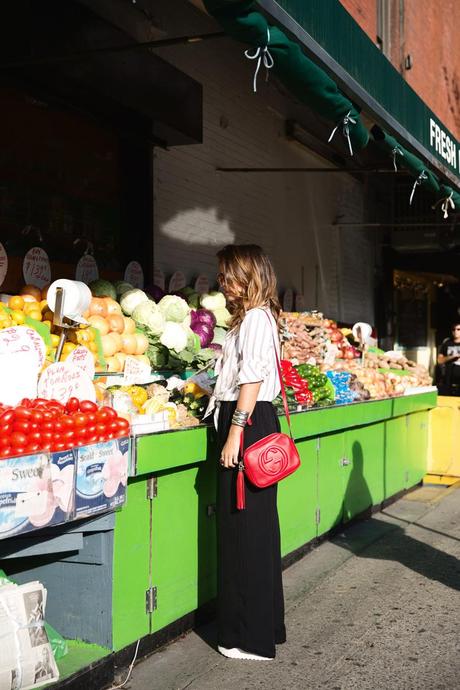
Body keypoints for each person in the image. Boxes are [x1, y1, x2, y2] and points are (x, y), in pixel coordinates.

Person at [205, 244, 286, 661]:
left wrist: (235, 433)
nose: (224, 284)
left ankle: (248, 638)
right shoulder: (257, 318)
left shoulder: (255, 318)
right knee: (256, 529)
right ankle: (264, 627)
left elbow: (251, 379)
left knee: (243, 531)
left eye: (229, 275)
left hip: (248, 423)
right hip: (251, 421)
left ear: (248, 275)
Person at [437, 322, 460, 396]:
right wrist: (452, 357)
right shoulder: (447, 343)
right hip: (448, 381)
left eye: (458, 329)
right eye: (454, 329)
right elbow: (439, 360)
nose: (456, 331)